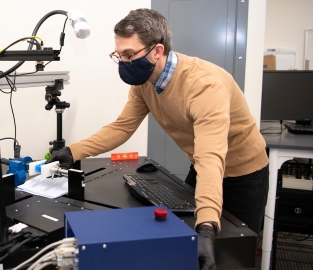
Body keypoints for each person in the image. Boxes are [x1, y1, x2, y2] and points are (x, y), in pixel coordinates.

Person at [47, 8, 269, 269]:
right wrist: (73, 152)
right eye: (119, 55)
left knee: (229, 253)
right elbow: (122, 127)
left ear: (157, 51)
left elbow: (211, 155)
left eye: (129, 54)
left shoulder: (205, 85)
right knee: (183, 241)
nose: (124, 61)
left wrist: (207, 226)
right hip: (202, 165)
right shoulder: (144, 82)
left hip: (244, 175)